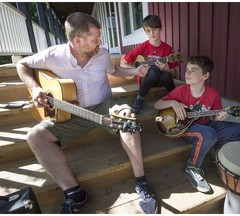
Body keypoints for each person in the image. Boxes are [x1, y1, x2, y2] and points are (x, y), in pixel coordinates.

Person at [16, 12, 158, 214]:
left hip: (105, 106)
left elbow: (114, 70)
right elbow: (21, 64)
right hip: (72, 114)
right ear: (77, 40)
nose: (100, 42)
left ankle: (141, 182)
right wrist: (35, 88)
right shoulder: (54, 55)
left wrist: (134, 72)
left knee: (127, 118)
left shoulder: (102, 53)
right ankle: (74, 193)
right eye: (95, 39)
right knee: (34, 136)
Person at [154, 56, 240, 193]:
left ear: (205, 75)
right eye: (187, 69)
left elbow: (213, 116)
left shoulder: (213, 94)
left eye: (193, 70)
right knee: (208, 134)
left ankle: (216, 149)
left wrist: (219, 117)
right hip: (182, 127)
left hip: (207, 125)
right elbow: (157, 104)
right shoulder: (181, 91)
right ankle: (192, 167)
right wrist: (172, 103)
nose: (187, 73)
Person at [120, 14, 179, 114]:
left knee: (165, 75)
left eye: (154, 29)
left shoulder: (168, 49)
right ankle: (139, 98)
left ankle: (176, 99)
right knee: (154, 71)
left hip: (161, 80)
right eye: (148, 30)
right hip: (146, 79)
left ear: (160, 29)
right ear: (145, 31)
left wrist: (167, 69)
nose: (152, 33)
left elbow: (174, 74)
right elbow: (123, 63)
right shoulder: (142, 47)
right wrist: (136, 71)